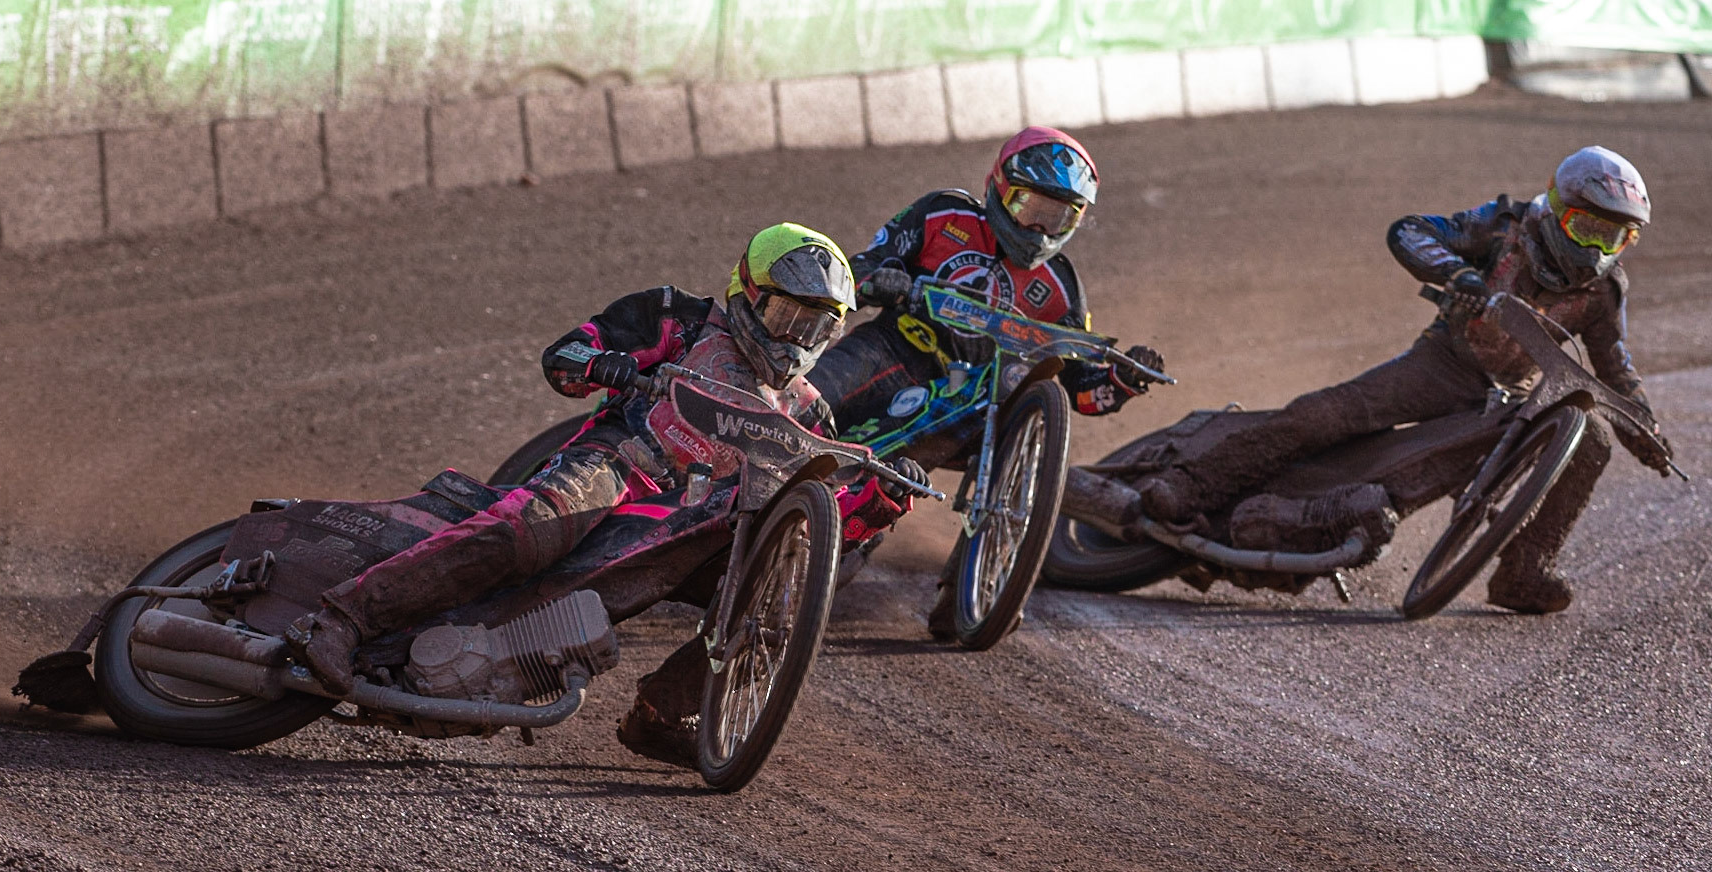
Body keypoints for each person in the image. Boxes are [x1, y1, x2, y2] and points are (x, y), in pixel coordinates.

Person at [282, 223, 928, 766]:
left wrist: (880, 502)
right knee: (526, 529)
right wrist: (601, 365)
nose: (794, 341)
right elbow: (566, 354)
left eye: (815, 330)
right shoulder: (681, 318)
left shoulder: (809, 418)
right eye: (786, 316)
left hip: (699, 533)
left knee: (778, 607)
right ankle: (342, 618)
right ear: (748, 293)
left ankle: (665, 714)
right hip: (616, 467)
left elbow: (812, 531)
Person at [1141, 145, 1672, 614]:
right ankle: (1192, 484)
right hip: (1441, 366)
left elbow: (1616, 370)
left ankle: (1523, 570)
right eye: (1588, 228)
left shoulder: (1604, 293)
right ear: (1557, 210)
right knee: (1329, 414)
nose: (1597, 249)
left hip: (1512, 402)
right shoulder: (1503, 226)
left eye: (1617, 237)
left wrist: (1645, 433)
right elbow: (1411, 231)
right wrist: (1459, 275)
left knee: (1592, 436)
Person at [805, 125, 1164, 635]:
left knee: (1016, 411)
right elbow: (858, 269)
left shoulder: (1061, 286)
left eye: (1058, 216)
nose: (1040, 228)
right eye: (1029, 207)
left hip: (974, 402)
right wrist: (880, 279)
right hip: (897, 348)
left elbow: (1083, 390)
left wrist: (1123, 380)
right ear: (999, 186)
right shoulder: (943, 214)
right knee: (804, 401)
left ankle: (970, 586)